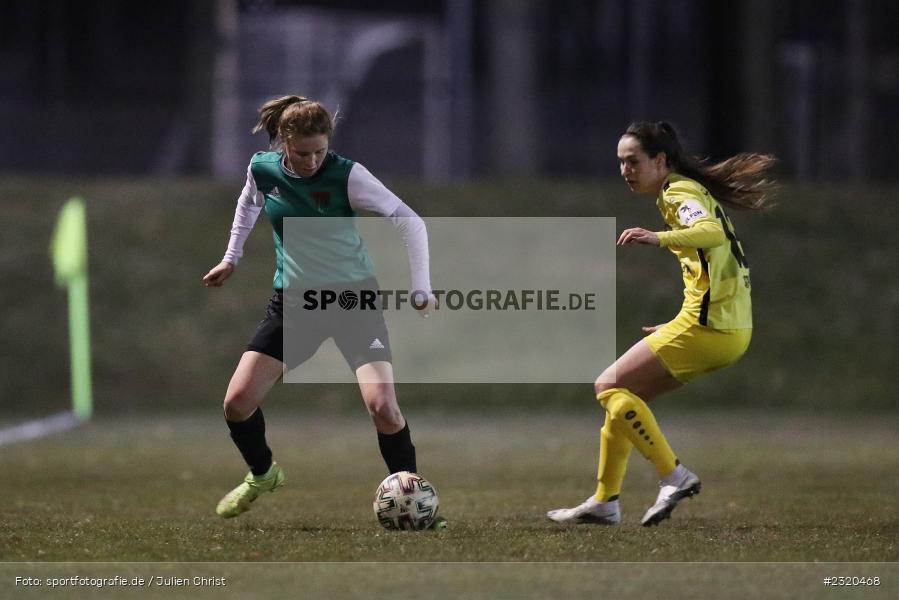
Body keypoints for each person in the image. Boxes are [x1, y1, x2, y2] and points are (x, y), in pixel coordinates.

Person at [203, 95, 443, 526]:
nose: (312, 160)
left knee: (384, 408)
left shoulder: (348, 176)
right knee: (237, 403)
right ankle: (263, 474)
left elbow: (410, 221)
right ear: (284, 143)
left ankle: (415, 502)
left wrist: (421, 287)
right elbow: (249, 202)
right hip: (295, 305)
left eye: (320, 150)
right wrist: (231, 258)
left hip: (353, 303)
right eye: (302, 152)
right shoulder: (263, 168)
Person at [548, 121, 776, 527]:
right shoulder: (683, 191)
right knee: (625, 401)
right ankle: (605, 501)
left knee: (608, 386)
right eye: (620, 163)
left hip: (712, 328)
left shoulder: (680, 191)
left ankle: (674, 476)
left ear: (660, 160)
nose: (625, 171)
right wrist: (677, 323)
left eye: (633, 161)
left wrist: (657, 238)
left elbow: (709, 234)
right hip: (726, 328)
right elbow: (709, 266)